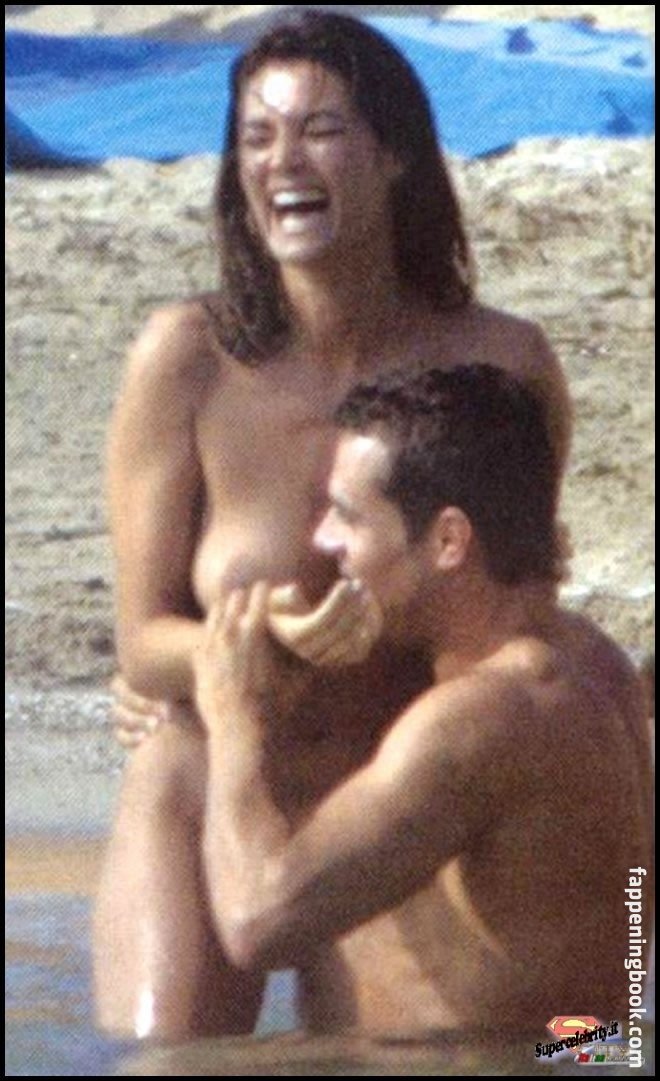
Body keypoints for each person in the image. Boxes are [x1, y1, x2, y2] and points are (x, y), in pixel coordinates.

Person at [94, 11, 573, 1041]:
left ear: (395, 153)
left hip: (397, 805)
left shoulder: (502, 368)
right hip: (211, 774)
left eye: (319, 129)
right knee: (168, 1062)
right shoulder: (186, 360)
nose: (282, 160)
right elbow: (140, 640)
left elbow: (521, 605)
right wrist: (245, 648)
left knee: (511, 1047)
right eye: (257, 136)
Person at [193, 364, 652, 1035]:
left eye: (348, 515)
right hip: (589, 1053)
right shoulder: (597, 666)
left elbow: (254, 923)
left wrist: (232, 715)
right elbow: (604, 1027)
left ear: (448, 540)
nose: (323, 539)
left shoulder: (486, 718)